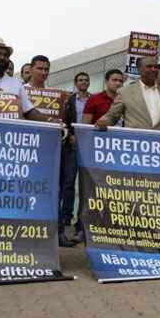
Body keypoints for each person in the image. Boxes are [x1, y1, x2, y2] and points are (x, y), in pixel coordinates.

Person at [96, 56, 160, 132]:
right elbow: (112, 117)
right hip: (135, 147)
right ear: (139, 69)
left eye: (155, 67)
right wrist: (103, 122)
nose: (153, 69)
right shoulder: (125, 92)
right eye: (149, 66)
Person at [59, 72, 91, 247]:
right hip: (71, 146)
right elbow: (63, 120)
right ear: (75, 82)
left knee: (85, 184)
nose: (83, 82)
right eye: (80, 80)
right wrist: (70, 135)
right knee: (69, 182)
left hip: (88, 146)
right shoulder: (69, 100)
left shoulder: (92, 99)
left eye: (86, 80)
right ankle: (66, 217)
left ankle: (82, 219)